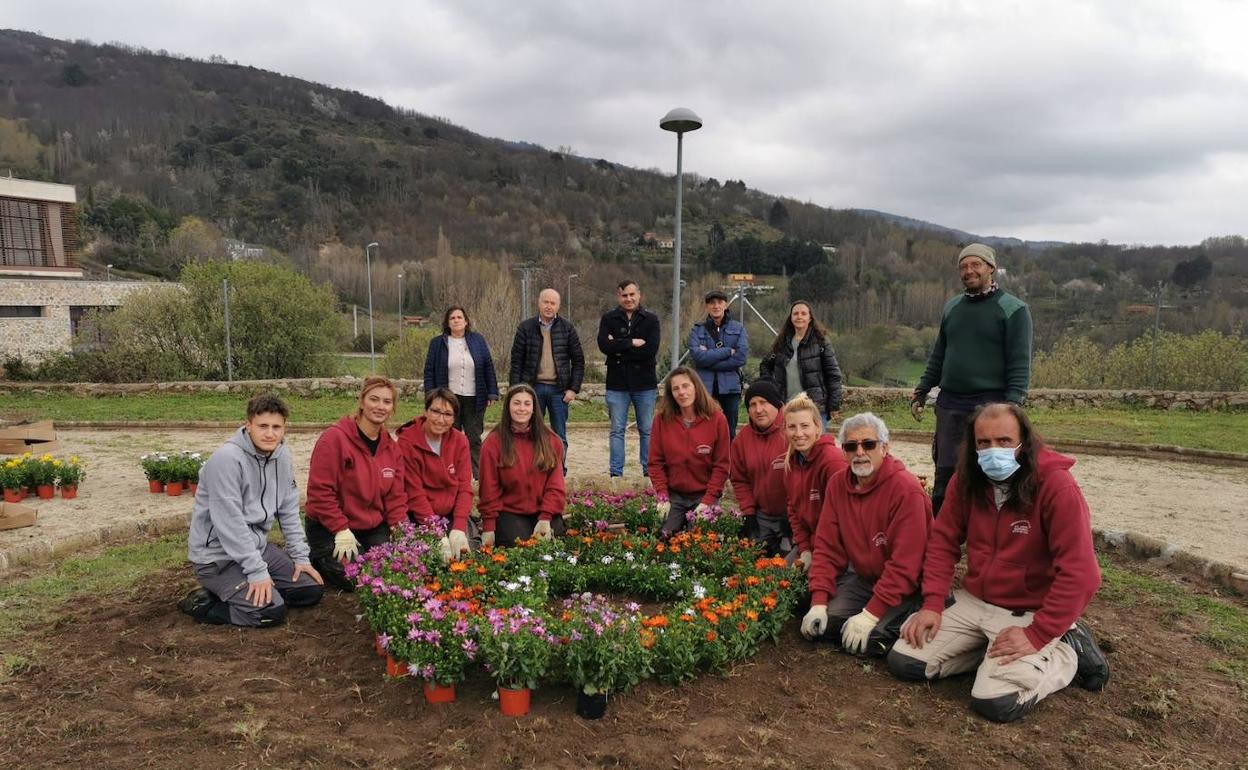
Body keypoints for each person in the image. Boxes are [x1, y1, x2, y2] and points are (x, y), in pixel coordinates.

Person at [887, 403, 1110, 723]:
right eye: (984, 443)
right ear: (973, 445)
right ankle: (989, 650)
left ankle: (1066, 649)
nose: (994, 450)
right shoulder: (966, 480)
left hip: (1029, 610)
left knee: (995, 701)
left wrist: (1037, 633)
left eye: (1004, 441)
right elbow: (942, 542)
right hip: (975, 600)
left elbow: (1082, 573)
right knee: (905, 661)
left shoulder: (1056, 486)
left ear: (1025, 442)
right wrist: (933, 604)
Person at [179, 394, 324, 627]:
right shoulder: (226, 460)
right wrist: (257, 572)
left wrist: (300, 557)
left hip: (256, 548)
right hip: (217, 558)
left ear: (285, 428)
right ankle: (205, 603)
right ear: (248, 425)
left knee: (310, 589)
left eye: (276, 427)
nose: (270, 433)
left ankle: (250, 592)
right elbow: (230, 526)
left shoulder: (282, 457)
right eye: (263, 426)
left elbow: (288, 511)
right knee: (269, 613)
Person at [910, 243, 1033, 516]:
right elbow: (939, 354)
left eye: (976, 264)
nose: (969, 271)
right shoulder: (953, 307)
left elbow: (1019, 363)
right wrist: (922, 390)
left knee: (993, 473)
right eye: (964, 266)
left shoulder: (1013, 309)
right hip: (951, 402)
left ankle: (995, 534)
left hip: (991, 403)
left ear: (991, 267)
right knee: (946, 475)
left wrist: (1013, 406)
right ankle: (941, 537)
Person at [800, 412, 932, 658]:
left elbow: (906, 565)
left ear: (884, 447)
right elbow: (827, 547)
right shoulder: (838, 484)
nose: (859, 452)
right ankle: (870, 613)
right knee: (826, 626)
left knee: (871, 641)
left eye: (868, 444)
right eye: (851, 446)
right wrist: (818, 601)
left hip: (908, 586)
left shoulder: (906, 491)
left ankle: (912, 611)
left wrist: (870, 614)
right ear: (844, 451)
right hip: (866, 579)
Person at [304, 377, 408, 591]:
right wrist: (340, 528)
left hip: (370, 527)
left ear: (393, 408)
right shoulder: (335, 439)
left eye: (387, 402)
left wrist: (402, 533)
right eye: (374, 399)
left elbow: (395, 498)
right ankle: (320, 557)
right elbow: (319, 492)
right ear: (362, 402)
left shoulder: (392, 448)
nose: (380, 406)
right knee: (359, 578)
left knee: (394, 572)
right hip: (331, 528)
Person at [478, 384, 567, 547]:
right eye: (516, 403)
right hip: (510, 511)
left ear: (534, 408)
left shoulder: (552, 441)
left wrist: (546, 516)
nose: (522, 408)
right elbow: (488, 489)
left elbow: (555, 485)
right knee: (519, 549)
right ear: (508, 407)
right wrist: (489, 527)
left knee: (552, 548)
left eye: (527, 404)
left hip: (544, 510)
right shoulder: (493, 443)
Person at [648, 366, 731, 538]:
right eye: (676, 388)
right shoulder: (661, 420)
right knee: (664, 537)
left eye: (686, 386)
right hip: (675, 495)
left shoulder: (717, 419)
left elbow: (722, 466)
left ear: (696, 387)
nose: (682, 392)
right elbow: (655, 462)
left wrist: (708, 501)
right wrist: (663, 496)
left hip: (704, 494)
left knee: (700, 540)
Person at [395, 387, 475, 561]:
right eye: (436, 411)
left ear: (454, 418)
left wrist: (459, 527)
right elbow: (414, 493)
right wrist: (436, 531)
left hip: (452, 514)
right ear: (426, 411)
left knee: (467, 557)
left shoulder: (460, 441)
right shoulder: (408, 442)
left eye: (448, 414)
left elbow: (464, 488)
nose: (441, 420)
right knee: (430, 560)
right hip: (421, 516)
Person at [509, 288, 585, 466]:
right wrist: (516, 391)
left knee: (559, 434)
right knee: (530, 432)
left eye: (553, 303)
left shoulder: (567, 329)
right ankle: (532, 468)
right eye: (546, 302)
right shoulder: (525, 328)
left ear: (558, 306)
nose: (549, 306)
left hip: (559, 391)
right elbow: (516, 362)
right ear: (539, 302)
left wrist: (573, 389)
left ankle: (559, 471)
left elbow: (579, 361)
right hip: (532, 389)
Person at [424, 305, 499, 478]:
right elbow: (429, 371)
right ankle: (450, 473)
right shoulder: (438, 343)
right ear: (447, 323)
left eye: (459, 317)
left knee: (473, 437)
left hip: (475, 397)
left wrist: (492, 392)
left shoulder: (478, 340)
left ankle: (478, 475)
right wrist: (431, 397)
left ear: (466, 321)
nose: (456, 320)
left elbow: (488, 366)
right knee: (450, 436)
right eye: (452, 318)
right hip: (449, 398)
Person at [597, 279, 661, 478]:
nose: (629, 298)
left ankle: (649, 472)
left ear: (639, 295)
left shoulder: (651, 320)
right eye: (624, 295)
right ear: (619, 296)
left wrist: (618, 346)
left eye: (632, 294)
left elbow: (650, 351)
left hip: (645, 384)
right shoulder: (608, 319)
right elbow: (604, 347)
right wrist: (632, 342)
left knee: (647, 430)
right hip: (617, 384)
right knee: (617, 430)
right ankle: (616, 473)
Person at [782, 393, 848, 572]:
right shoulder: (792, 463)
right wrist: (804, 549)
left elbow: (841, 519)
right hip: (809, 545)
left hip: (836, 549)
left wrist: (813, 550)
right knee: (775, 581)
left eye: (805, 426)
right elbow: (793, 511)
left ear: (818, 427)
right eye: (792, 427)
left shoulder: (832, 462)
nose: (798, 434)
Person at [729, 380, 789, 555]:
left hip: (791, 516)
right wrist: (749, 514)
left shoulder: (792, 431)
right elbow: (740, 480)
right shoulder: (741, 441)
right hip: (762, 515)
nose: (758, 409)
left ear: (777, 404)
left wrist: (793, 515)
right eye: (752, 404)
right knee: (753, 560)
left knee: (791, 568)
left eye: (764, 402)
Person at [759, 300, 843, 424]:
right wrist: (772, 388)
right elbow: (765, 365)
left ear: (810, 318)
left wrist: (834, 405)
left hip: (815, 407)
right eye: (796, 313)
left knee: (816, 442)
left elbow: (833, 375)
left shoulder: (821, 342)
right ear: (791, 318)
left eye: (803, 313)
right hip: (786, 407)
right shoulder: (782, 343)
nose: (799, 316)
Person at [688, 289, 748, 439]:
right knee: (703, 430)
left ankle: (729, 462)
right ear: (707, 306)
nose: (716, 306)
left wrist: (709, 358)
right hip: (704, 388)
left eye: (719, 302)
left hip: (730, 388)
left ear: (725, 305)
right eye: (712, 303)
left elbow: (741, 358)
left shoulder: (738, 328)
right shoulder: (697, 329)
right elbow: (697, 357)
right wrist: (728, 351)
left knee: (729, 432)